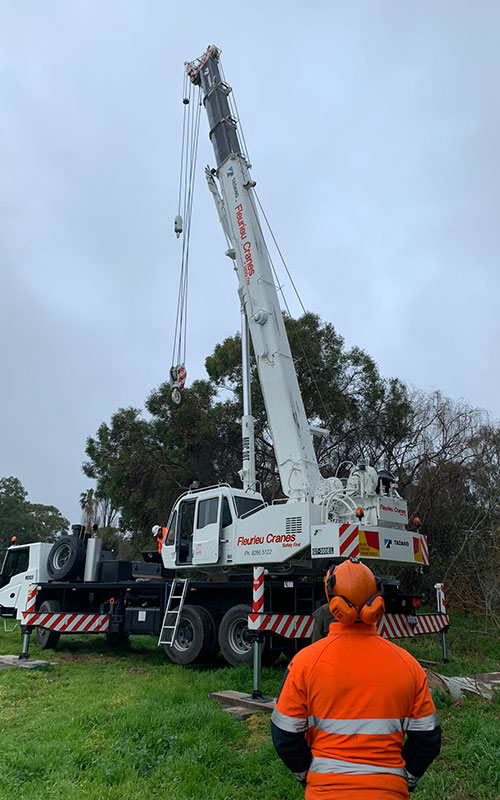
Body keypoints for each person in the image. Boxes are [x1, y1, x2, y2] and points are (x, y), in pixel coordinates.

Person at [271, 557, 441, 799]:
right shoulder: (408, 665)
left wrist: (307, 774)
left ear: (332, 600)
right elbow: (427, 739)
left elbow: (284, 735)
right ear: (377, 599)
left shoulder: (304, 663)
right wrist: (406, 779)